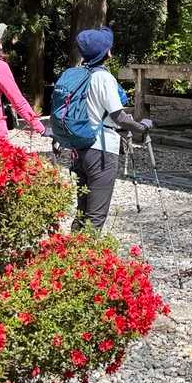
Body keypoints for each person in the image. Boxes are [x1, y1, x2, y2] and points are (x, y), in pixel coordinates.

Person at [65, 26, 151, 230]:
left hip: (80, 147)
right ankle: (87, 250)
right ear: (107, 53)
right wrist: (141, 127)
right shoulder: (103, 78)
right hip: (101, 150)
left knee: (82, 211)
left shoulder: (80, 75)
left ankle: (71, 248)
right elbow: (118, 116)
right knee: (95, 216)